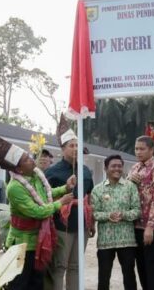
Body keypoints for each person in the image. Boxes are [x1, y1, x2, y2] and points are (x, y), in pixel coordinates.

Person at [0, 132, 74, 290]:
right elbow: (38, 211)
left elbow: (46, 195)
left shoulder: (35, 175)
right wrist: (60, 203)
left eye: (29, 156)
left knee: (36, 283)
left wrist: (65, 188)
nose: (32, 159)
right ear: (19, 169)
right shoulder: (15, 187)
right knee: (19, 284)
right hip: (21, 245)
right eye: (26, 159)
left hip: (38, 241)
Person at [44, 114, 94, 290]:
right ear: (62, 148)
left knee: (76, 266)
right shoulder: (52, 172)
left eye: (77, 145)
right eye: (71, 146)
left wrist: (92, 223)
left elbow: (90, 197)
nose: (75, 149)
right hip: (61, 226)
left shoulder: (86, 171)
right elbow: (45, 198)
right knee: (59, 266)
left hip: (82, 226)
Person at [92, 155, 140, 290]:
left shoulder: (130, 187)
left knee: (129, 275)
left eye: (119, 166)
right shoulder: (98, 189)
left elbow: (137, 210)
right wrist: (108, 216)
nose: (117, 169)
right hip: (105, 241)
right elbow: (94, 213)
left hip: (127, 240)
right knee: (104, 276)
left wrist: (123, 215)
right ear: (106, 168)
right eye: (113, 166)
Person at [126, 135, 154, 290]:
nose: (138, 152)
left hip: (150, 227)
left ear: (151, 149)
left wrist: (150, 226)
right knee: (141, 265)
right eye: (136, 148)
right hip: (135, 224)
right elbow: (126, 190)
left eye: (142, 149)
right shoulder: (135, 168)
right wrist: (129, 179)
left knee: (153, 265)